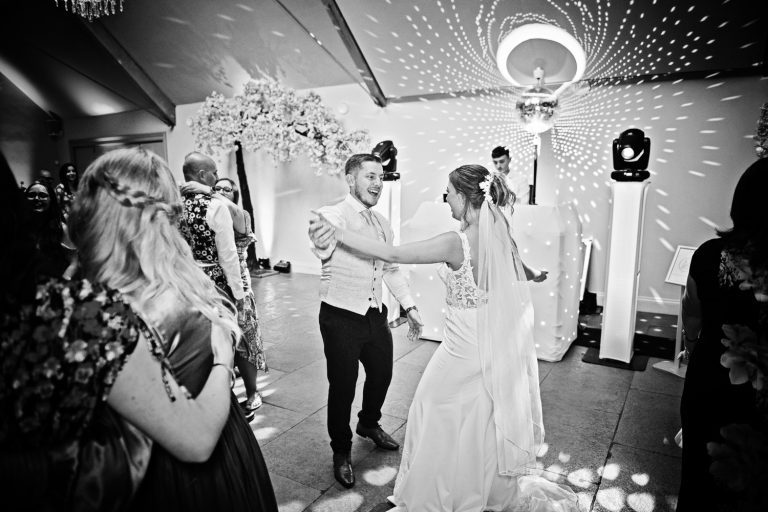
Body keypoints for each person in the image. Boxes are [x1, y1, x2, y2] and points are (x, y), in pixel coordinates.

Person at [1, 148, 277, 511]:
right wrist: (222, 359)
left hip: (177, 459)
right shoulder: (184, 276)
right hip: (218, 444)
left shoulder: (94, 304)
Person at [310, 164, 576, 511]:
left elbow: (392, 255)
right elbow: (519, 265)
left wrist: (339, 233)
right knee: (482, 419)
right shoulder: (501, 234)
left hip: (460, 350)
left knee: (431, 409)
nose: (446, 199)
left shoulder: (456, 242)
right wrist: (537, 274)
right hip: (492, 349)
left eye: (448, 193)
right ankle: (480, 491)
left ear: (465, 197)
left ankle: (437, 494)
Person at [308, 153, 423, 489]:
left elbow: (390, 267)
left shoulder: (382, 223)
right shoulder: (332, 215)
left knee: (382, 374)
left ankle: (368, 423)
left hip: (374, 314)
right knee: (342, 385)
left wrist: (410, 306)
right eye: (370, 176)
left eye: (381, 177)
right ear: (350, 179)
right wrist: (321, 234)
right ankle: (341, 451)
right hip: (340, 316)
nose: (377, 183)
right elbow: (321, 243)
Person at [677, 158, 768, 511]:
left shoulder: (710, 255)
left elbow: (693, 312)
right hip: (755, 398)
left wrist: (691, 348)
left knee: (701, 477)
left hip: (711, 382)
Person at [182, 176, 268, 416]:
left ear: (234, 195)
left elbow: (237, 224)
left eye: (226, 189)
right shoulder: (207, 210)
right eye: (217, 188)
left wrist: (208, 190)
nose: (220, 192)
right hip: (214, 286)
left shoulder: (240, 214)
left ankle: (252, 392)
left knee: (245, 341)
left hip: (239, 287)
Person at [179, 152, 245, 308]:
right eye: (214, 173)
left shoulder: (174, 204)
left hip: (184, 281)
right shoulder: (215, 206)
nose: (216, 177)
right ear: (202, 175)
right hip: (213, 285)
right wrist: (238, 293)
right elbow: (228, 255)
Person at [24, 179, 73, 278]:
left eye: (42, 195)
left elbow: (74, 263)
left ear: (51, 200)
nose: (37, 198)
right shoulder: (18, 227)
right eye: (32, 195)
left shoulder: (62, 229)